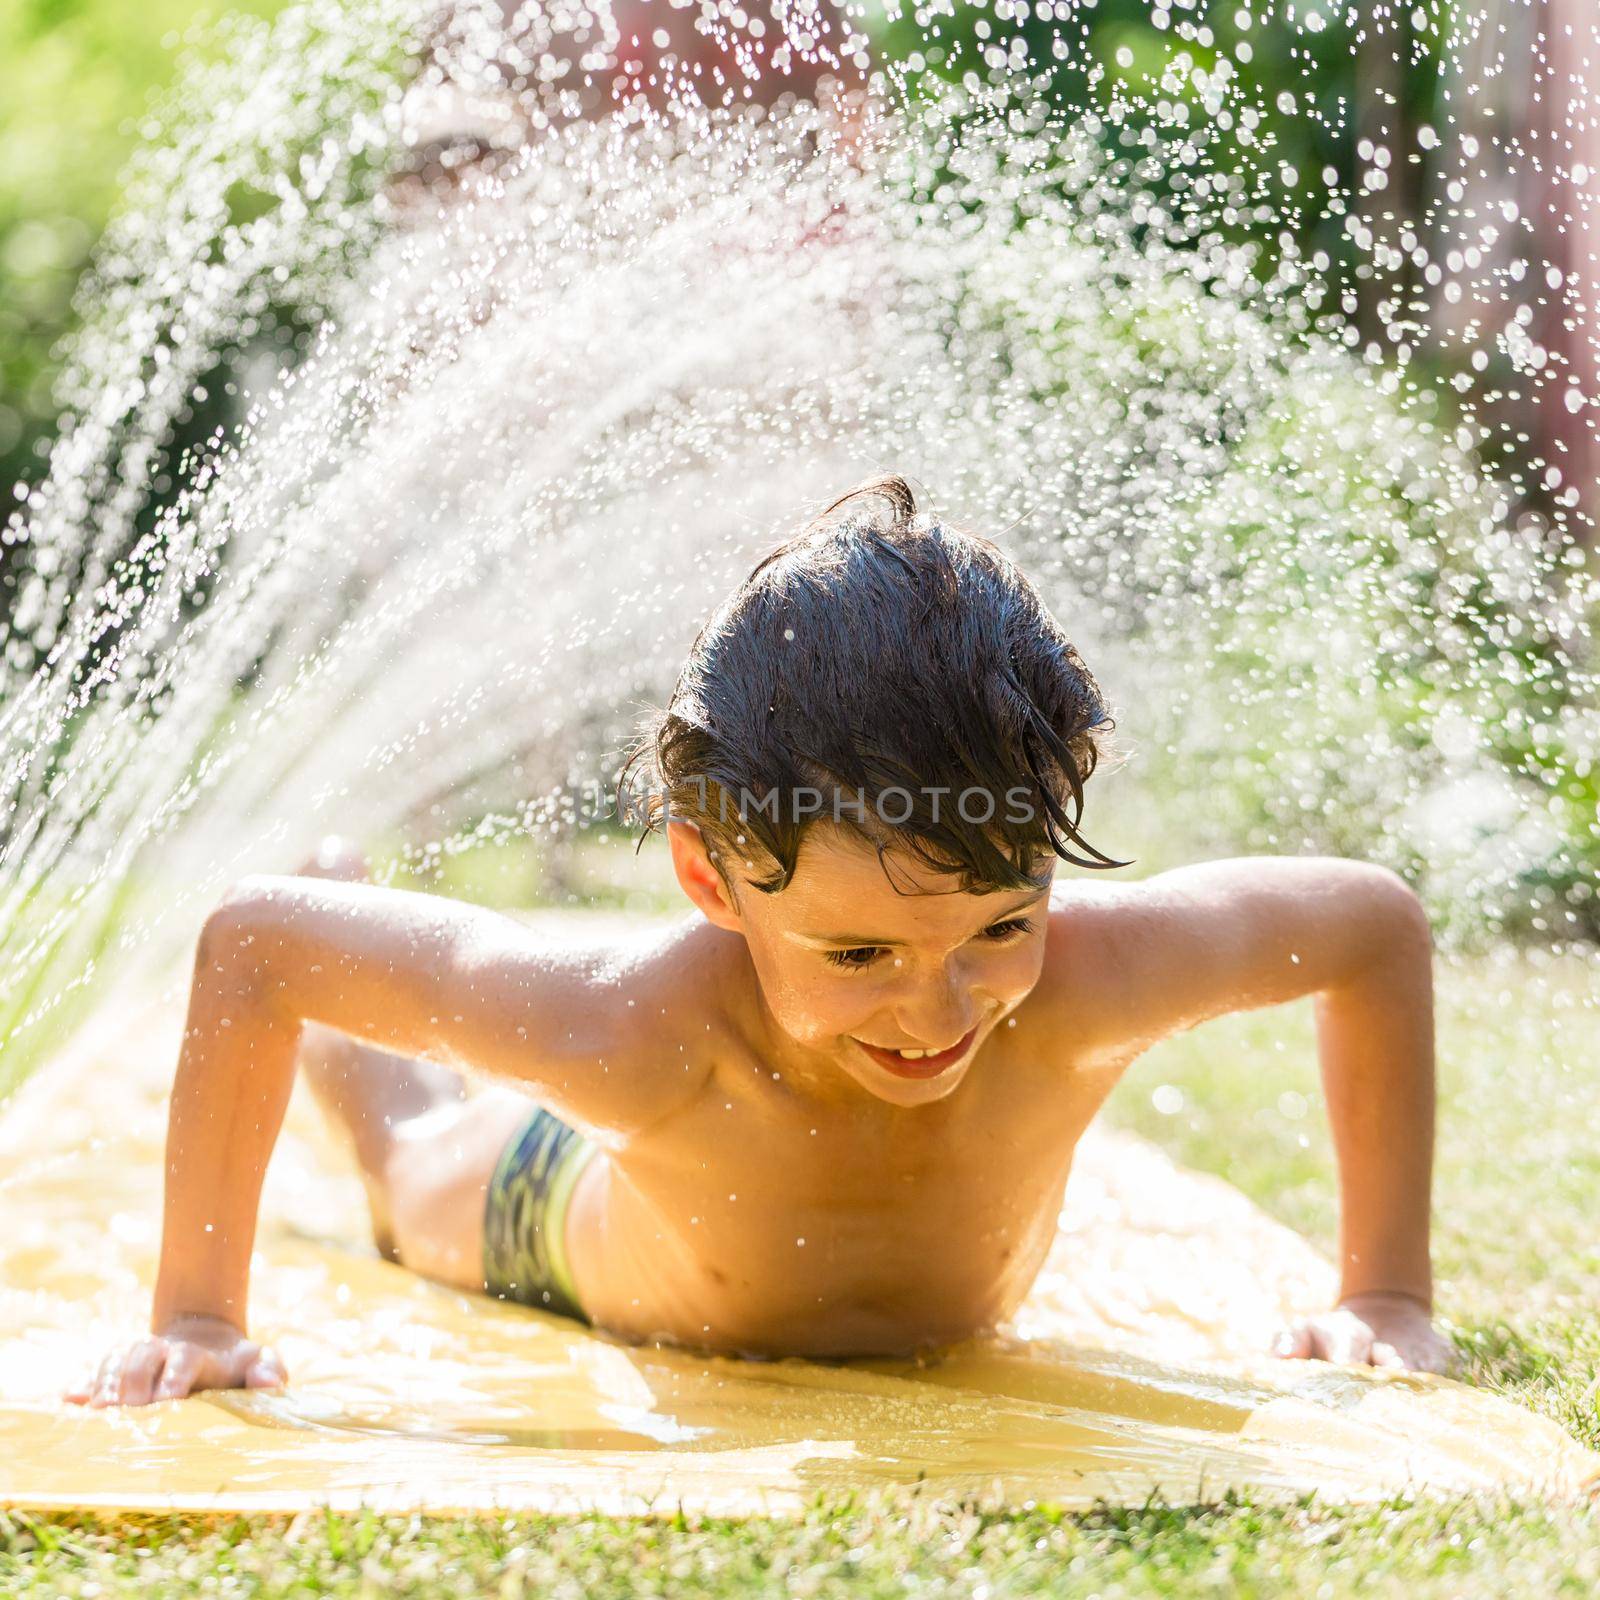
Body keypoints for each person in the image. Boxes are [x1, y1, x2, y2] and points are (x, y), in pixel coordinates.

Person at [71, 473, 1452, 1407]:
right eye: (859, 955)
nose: (940, 1006)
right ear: (711, 878)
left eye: (1000, 924)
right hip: (551, 1212)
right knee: (409, 1151)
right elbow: (258, 950)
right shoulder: (628, 1028)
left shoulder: (1098, 981)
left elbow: (1372, 928)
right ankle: (350, 886)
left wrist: (1384, 1289)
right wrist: (196, 1315)